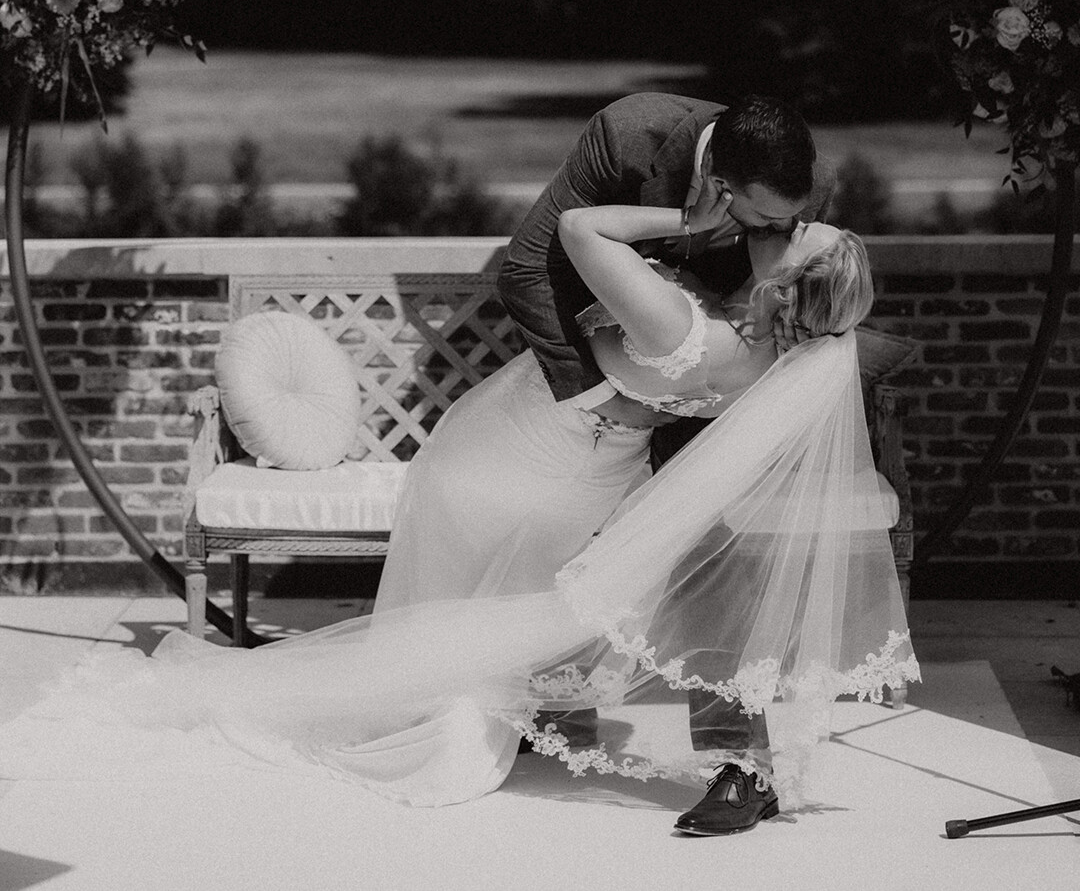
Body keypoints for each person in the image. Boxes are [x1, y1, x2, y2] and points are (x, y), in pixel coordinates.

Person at [0, 196, 917, 819]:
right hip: (592, 468)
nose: (784, 222)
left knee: (469, 604)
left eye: (793, 232)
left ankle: (430, 714)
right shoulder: (785, 360)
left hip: (517, 452)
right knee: (511, 604)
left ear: (783, 283)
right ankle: (513, 716)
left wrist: (689, 220)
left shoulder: (688, 329)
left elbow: (580, 228)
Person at [490, 91, 838, 833]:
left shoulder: (800, 186)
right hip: (606, 379)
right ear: (718, 183)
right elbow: (526, 270)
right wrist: (601, 395)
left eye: (783, 223)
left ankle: (741, 769)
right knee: (563, 535)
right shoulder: (628, 137)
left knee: (714, 556)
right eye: (759, 221)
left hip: (712, 381)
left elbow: (790, 289)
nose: (773, 233)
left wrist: (734, 361)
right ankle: (555, 707)